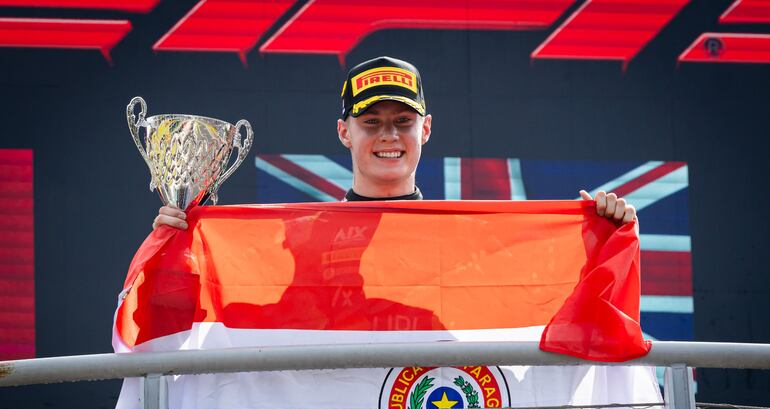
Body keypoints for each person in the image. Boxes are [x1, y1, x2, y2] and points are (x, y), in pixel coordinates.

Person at [152, 56, 636, 230]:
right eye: (371, 121)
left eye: (403, 121)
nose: (388, 135)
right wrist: (179, 242)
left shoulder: (464, 235)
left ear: (426, 129)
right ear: (344, 132)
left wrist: (599, 233)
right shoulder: (298, 238)